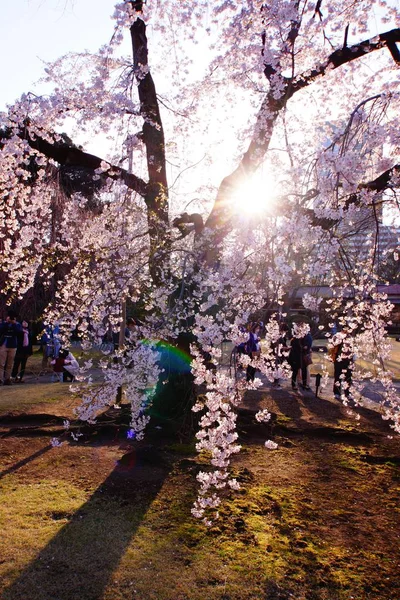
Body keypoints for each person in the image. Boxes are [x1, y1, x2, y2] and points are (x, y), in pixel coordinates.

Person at [0, 311, 23, 385]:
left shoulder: (17, 324)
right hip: (3, 344)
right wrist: (7, 323)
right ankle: (0, 379)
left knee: (10, 364)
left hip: (12, 345)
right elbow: (1, 330)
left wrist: (13, 324)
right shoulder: (4, 324)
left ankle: (7, 378)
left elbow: (18, 332)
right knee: (1, 363)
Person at [330, 331, 353, 399]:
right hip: (338, 359)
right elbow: (332, 346)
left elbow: (352, 348)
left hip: (348, 360)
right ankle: (336, 393)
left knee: (348, 377)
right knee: (337, 376)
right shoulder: (337, 336)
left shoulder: (350, 337)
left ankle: (347, 393)